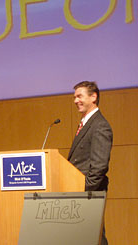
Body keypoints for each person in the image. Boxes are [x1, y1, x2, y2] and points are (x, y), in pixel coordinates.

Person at [68, 81, 112, 245]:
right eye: (74, 97)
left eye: (79, 96)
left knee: (95, 238)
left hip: (89, 193)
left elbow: (99, 167)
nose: (75, 101)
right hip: (80, 192)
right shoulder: (87, 123)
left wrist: (84, 190)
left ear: (93, 97)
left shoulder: (100, 126)